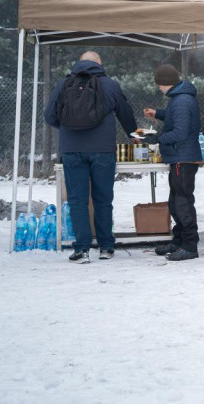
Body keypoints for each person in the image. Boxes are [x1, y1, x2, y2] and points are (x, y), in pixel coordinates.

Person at [45, 51, 138, 263]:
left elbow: (50, 116)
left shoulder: (63, 84)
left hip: (72, 150)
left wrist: (69, 129)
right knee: (103, 199)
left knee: (77, 200)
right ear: (99, 63)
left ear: (79, 62)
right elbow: (125, 113)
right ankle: (106, 247)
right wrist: (134, 133)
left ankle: (82, 250)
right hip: (103, 150)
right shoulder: (110, 85)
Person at [143, 64, 201, 261]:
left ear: (164, 83)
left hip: (183, 158)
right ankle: (179, 241)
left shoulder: (182, 100)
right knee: (175, 202)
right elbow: (176, 118)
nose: (158, 88)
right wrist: (157, 113)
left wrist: (157, 138)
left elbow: (180, 131)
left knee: (183, 202)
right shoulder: (179, 98)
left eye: (158, 84)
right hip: (179, 157)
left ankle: (190, 245)